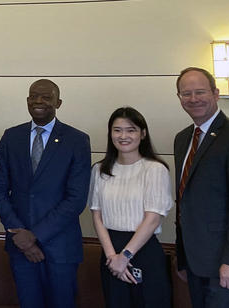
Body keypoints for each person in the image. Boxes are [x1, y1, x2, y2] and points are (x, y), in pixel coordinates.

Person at [0, 79, 91, 308]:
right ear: (27, 100)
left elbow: (76, 199)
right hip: (19, 246)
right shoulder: (11, 137)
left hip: (60, 248)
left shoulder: (77, 140)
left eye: (46, 97)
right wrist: (21, 237)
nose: (39, 101)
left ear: (59, 102)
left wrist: (34, 236)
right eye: (34, 96)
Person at [172, 67, 229, 307]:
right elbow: (184, 200)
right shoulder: (183, 139)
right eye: (186, 93)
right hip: (195, 262)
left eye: (200, 92)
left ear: (215, 93)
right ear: (179, 98)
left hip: (228, 264)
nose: (194, 99)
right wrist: (183, 258)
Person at [89, 107, 173, 307]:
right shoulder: (99, 170)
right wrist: (112, 258)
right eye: (117, 130)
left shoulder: (155, 169)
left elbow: (152, 219)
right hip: (110, 252)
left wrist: (125, 256)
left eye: (131, 130)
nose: (123, 136)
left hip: (143, 250)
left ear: (143, 134)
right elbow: (97, 216)